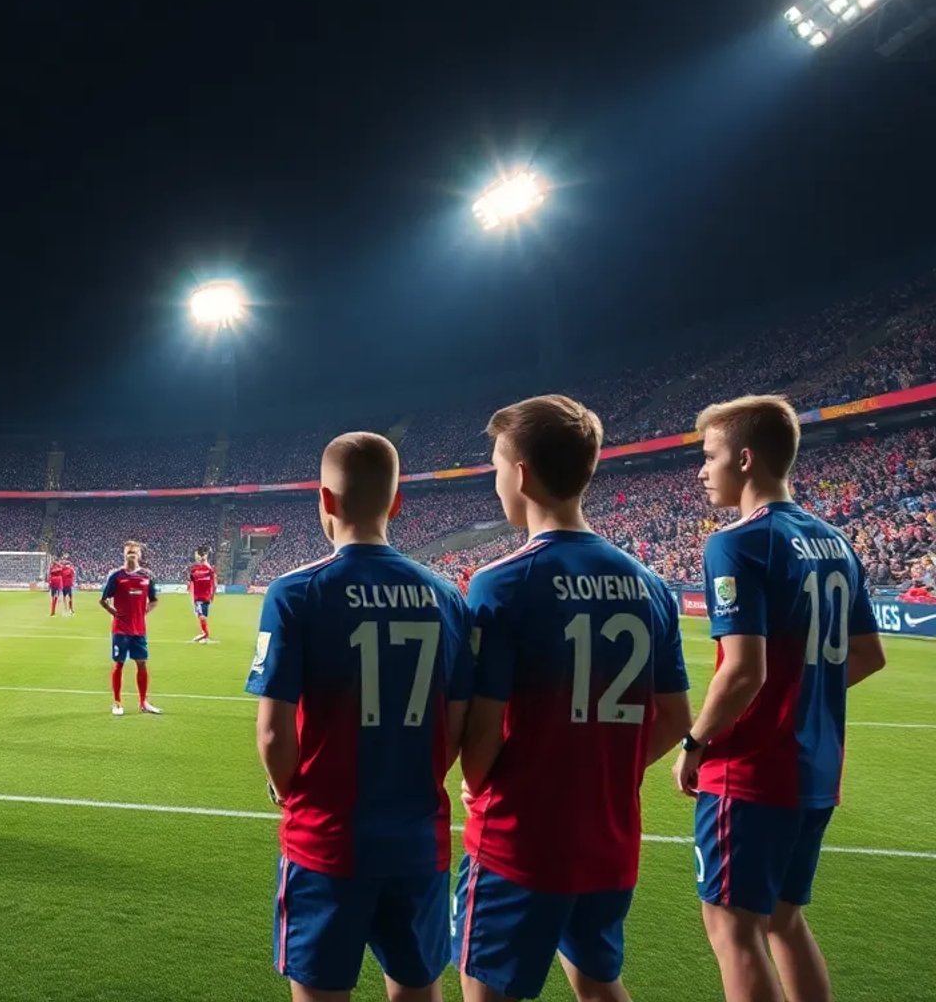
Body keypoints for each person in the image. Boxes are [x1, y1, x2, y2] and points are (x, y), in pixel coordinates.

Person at [455, 394, 693, 1002]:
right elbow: (675, 717)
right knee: (599, 983)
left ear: (523, 474)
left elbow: (481, 729)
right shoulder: (651, 585)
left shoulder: (503, 582)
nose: (495, 479)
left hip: (520, 839)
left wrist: (479, 783)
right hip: (609, 836)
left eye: (497, 465)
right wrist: (605, 770)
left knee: (488, 988)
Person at [673, 395, 887, 1002]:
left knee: (731, 927)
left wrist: (695, 741)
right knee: (784, 920)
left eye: (709, 456)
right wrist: (802, 691)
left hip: (753, 771)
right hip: (818, 766)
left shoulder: (737, 543)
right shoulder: (835, 542)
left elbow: (743, 672)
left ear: (744, 459)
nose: (701, 469)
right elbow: (868, 654)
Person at [248, 432, 473, 1002]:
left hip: (327, 839)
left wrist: (287, 789)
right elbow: (457, 722)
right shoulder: (446, 596)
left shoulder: (295, 592)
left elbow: (273, 732)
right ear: (397, 503)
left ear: (324, 500)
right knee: (419, 990)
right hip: (418, 838)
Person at [101, 540, 161, 716]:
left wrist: (143, 613)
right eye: (128, 551)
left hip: (139, 629)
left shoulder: (146, 576)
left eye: (134, 551)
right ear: (124, 554)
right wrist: (114, 612)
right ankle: (117, 702)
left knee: (142, 664)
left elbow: (154, 600)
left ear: (140, 555)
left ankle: (143, 702)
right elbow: (103, 599)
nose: (131, 553)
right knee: (119, 664)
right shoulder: (116, 576)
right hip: (120, 629)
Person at [188, 547, 218, 643]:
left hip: (199, 598)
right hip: (206, 597)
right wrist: (212, 595)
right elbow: (215, 584)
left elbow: (190, 583)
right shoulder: (208, 569)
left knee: (201, 615)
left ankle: (205, 634)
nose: (196, 556)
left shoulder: (195, 569)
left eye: (197, 554)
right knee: (203, 615)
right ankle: (205, 637)